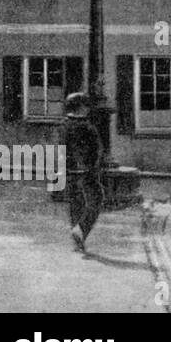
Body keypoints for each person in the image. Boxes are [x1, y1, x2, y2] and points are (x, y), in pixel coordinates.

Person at [62, 92, 103, 252]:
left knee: (75, 204)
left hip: (68, 171)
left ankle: (78, 241)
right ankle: (81, 230)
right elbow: (95, 151)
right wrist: (93, 167)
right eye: (86, 106)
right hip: (86, 171)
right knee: (97, 199)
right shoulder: (87, 127)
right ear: (81, 108)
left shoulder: (63, 126)